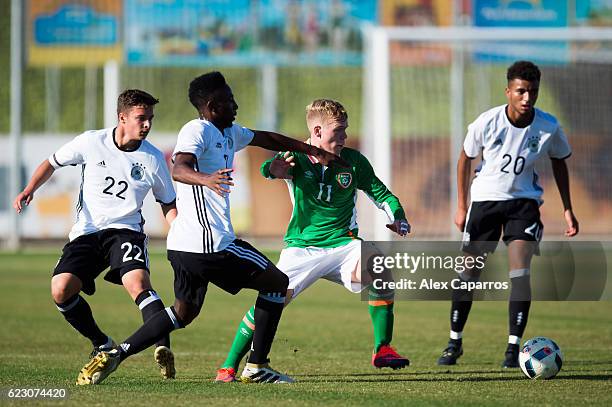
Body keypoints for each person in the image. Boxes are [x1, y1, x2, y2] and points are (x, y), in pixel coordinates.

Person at [75, 71, 348, 385]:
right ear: (210, 105)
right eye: (228, 100)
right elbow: (179, 167)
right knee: (277, 282)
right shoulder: (198, 129)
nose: (235, 104)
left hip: (183, 247)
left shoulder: (230, 131)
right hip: (211, 244)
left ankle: (116, 354)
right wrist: (207, 179)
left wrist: (312, 150)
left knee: (183, 312)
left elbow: (266, 138)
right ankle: (256, 366)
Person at [215, 99, 411, 383]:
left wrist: (399, 216)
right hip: (303, 249)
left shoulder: (353, 161)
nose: (344, 136)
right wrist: (274, 170)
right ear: (317, 131)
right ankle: (229, 367)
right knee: (272, 301)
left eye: (345, 130)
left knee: (379, 268)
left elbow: (382, 194)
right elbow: (269, 168)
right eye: (339, 131)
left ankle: (382, 349)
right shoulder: (294, 156)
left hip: (344, 244)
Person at [13, 89, 178, 383]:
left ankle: (161, 346)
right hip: (87, 234)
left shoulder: (152, 158)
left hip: (126, 231)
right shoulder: (91, 142)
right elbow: (51, 162)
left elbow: (167, 202)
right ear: (122, 117)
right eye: (141, 118)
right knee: (60, 289)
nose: (147, 125)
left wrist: (177, 231)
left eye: (150, 119)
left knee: (137, 282)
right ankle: (101, 342)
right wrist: (29, 189)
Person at [436, 61, 579, 368]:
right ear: (508, 91)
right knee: (469, 274)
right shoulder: (487, 122)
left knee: (520, 274)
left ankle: (513, 350)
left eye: (533, 92)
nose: (527, 98)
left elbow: (559, 162)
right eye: (521, 91)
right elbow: (465, 159)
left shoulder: (549, 125)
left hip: (523, 205)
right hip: (485, 203)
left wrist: (567, 209)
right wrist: (462, 205)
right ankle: (454, 342)